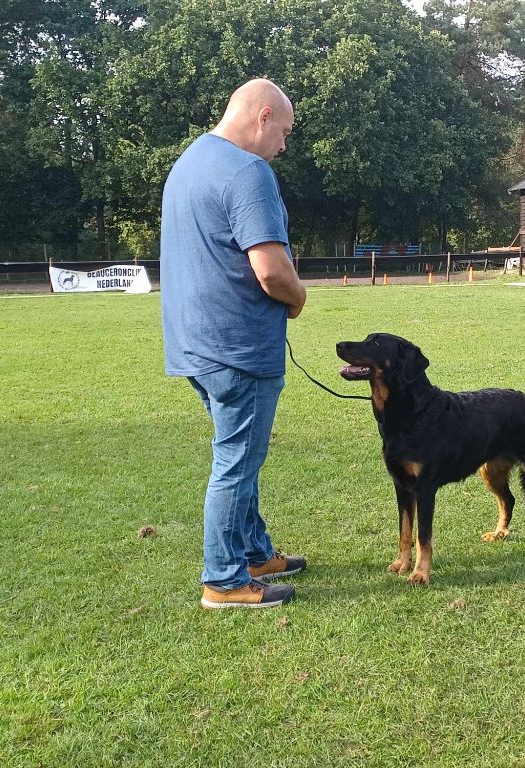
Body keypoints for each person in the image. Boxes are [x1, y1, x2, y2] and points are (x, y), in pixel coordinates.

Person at [160, 79, 307, 609]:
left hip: (194, 344)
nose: (284, 146)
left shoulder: (189, 162)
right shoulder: (249, 172)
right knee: (237, 460)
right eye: (285, 132)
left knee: (239, 453)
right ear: (263, 116)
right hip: (238, 348)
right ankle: (224, 582)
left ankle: (254, 552)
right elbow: (270, 271)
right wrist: (298, 297)